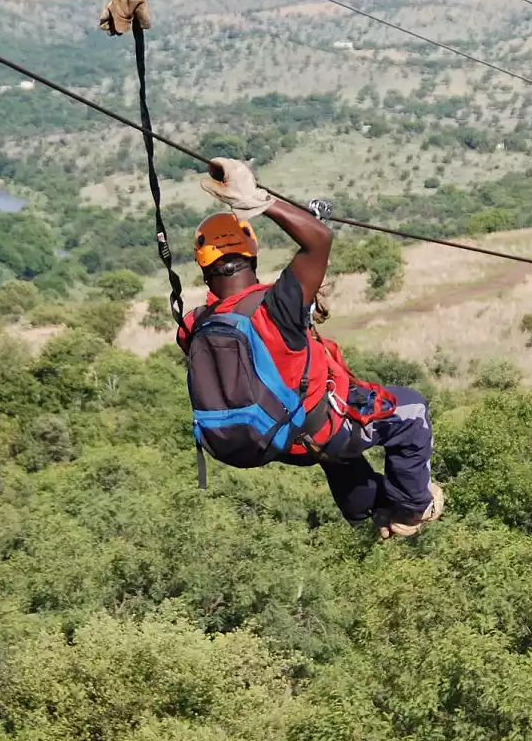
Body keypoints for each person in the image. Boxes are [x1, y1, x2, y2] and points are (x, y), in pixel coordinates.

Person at [177, 158, 442, 540]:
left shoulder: (195, 323)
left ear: (204, 270)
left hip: (274, 439)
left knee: (337, 454)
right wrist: (256, 201)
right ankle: (411, 508)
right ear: (252, 253)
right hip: (316, 427)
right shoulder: (277, 306)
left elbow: (242, 311)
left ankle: (370, 508)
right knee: (411, 410)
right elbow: (317, 242)